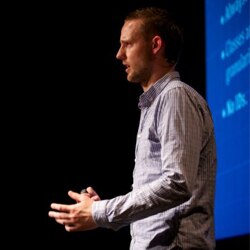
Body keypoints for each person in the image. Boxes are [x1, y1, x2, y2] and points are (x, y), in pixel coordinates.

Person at [48, 7, 217, 250]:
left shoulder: (174, 97)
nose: (119, 54)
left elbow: (177, 183)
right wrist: (102, 211)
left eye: (127, 44)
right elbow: (157, 194)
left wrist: (100, 211)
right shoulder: (155, 104)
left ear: (155, 45)